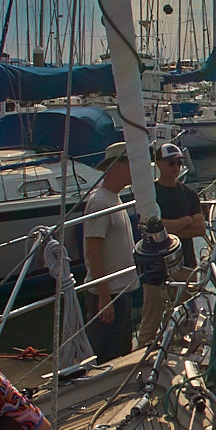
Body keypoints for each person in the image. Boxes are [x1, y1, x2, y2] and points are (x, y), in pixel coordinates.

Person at [137, 143, 205, 346]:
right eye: (170, 163)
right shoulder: (151, 195)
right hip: (157, 266)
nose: (175, 167)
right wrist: (184, 221)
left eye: (179, 162)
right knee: (151, 316)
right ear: (158, 163)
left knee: (187, 315)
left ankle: (181, 346)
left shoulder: (189, 193)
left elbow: (200, 228)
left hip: (186, 262)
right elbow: (152, 228)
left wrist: (168, 229)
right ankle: (143, 350)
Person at [84, 141, 139, 363]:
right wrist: (104, 298)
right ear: (117, 166)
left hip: (120, 290)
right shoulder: (100, 203)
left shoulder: (113, 199)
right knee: (108, 356)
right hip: (107, 294)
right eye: (130, 164)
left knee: (122, 352)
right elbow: (92, 252)